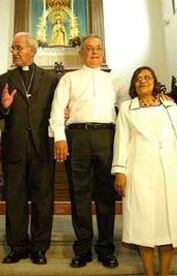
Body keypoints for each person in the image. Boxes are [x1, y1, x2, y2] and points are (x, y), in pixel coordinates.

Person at [112, 66, 177, 276]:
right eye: (138, 78)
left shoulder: (169, 105)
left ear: (154, 82)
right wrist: (120, 171)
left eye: (147, 77)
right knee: (143, 222)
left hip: (168, 168)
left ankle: (164, 273)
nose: (143, 81)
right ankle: (149, 273)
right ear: (134, 84)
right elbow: (122, 140)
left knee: (168, 222)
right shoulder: (127, 108)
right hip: (139, 170)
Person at [49, 34, 130, 268]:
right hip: (77, 136)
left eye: (98, 48)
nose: (95, 52)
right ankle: (82, 249)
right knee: (79, 194)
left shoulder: (116, 80)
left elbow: (127, 109)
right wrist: (60, 138)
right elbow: (57, 109)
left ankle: (106, 249)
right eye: (89, 48)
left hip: (107, 136)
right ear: (81, 52)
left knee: (105, 195)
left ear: (102, 52)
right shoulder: (69, 78)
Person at [0, 32, 58, 265]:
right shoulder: (3, 80)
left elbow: (57, 110)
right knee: (15, 198)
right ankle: (18, 245)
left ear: (32, 50)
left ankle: (40, 247)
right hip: (15, 146)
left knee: (43, 199)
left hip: (41, 146)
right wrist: (5, 107)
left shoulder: (50, 79)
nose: (14, 51)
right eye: (12, 48)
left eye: (18, 47)